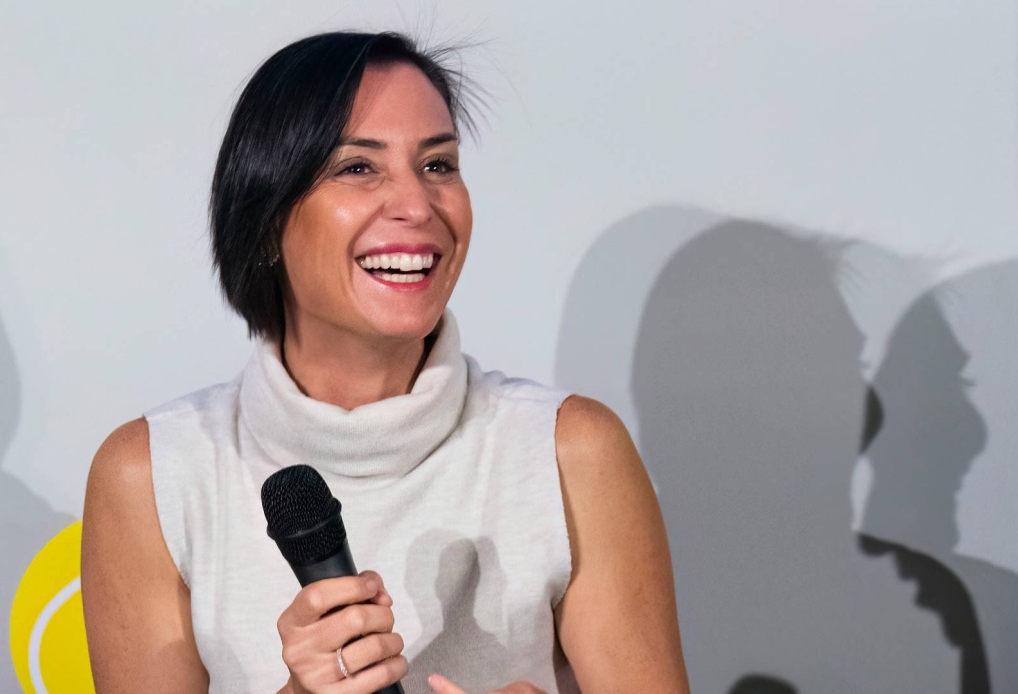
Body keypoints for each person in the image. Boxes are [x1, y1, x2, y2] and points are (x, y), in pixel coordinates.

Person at [81, 31, 688, 694]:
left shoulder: (568, 451)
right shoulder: (154, 473)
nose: (418, 207)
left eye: (438, 164)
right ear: (266, 219)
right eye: (358, 168)